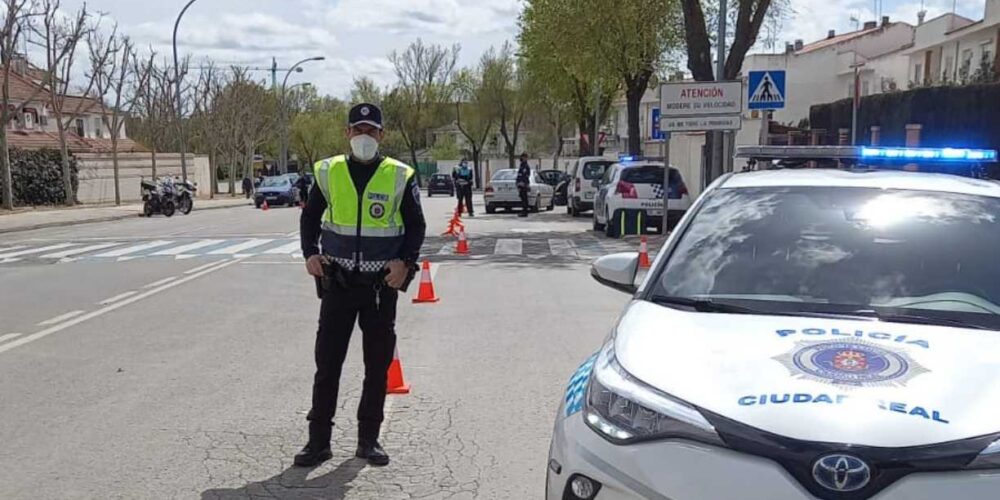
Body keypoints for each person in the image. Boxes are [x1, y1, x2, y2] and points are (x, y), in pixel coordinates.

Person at [298, 103, 426, 468]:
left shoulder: (400, 175)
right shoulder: (328, 171)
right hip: (337, 282)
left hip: (379, 287)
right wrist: (310, 253)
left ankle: (368, 440)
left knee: (377, 365)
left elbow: (415, 226)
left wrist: (407, 264)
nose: (364, 137)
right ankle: (317, 441)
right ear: (347, 134)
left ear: (382, 136)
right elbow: (310, 218)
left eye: (371, 131)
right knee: (328, 364)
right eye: (359, 131)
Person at [516, 152, 532, 218]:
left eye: (526, 157)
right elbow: (519, 175)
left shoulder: (526, 166)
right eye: (524, 157)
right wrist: (517, 182)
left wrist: (524, 183)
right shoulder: (522, 165)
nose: (525, 158)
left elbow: (526, 175)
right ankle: (524, 211)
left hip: (524, 184)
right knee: (522, 198)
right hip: (520, 183)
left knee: (524, 198)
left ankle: (525, 212)